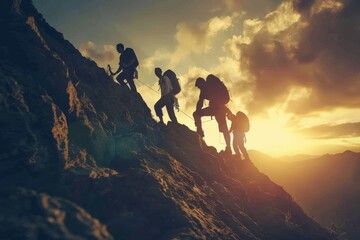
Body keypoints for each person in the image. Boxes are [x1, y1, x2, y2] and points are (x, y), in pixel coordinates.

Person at [193, 75, 231, 153]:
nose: (199, 88)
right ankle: (229, 148)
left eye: (199, 86)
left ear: (201, 83)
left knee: (196, 114)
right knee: (224, 129)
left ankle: (200, 132)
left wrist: (197, 113)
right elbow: (200, 102)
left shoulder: (206, 88)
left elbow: (200, 102)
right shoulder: (209, 87)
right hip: (220, 109)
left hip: (216, 109)